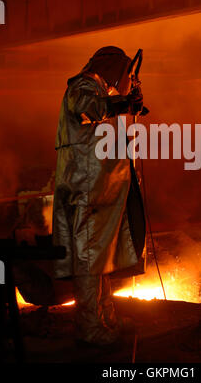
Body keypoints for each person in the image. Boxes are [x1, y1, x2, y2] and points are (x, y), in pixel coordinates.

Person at [52, 46, 146, 347]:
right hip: (87, 187)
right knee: (91, 259)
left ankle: (106, 318)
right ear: (112, 66)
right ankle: (91, 329)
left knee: (99, 258)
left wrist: (125, 106)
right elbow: (87, 108)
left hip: (98, 187)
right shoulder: (83, 84)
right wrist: (121, 104)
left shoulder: (98, 88)